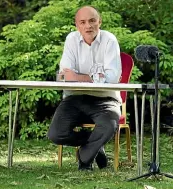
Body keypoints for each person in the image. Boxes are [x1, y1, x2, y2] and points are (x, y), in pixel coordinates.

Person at [47, 5, 122, 171]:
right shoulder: (71, 40)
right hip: (75, 98)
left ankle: (85, 158)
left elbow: (111, 78)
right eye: (83, 22)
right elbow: (66, 75)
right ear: (77, 25)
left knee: (108, 125)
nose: (88, 26)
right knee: (55, 134)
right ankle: (96, 144)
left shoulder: (110, 40)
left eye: (92, 21)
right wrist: (94, 77)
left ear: (99, 22)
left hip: (105, 99)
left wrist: (79, 76)